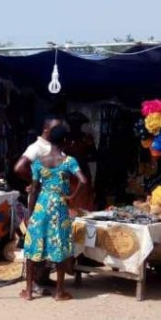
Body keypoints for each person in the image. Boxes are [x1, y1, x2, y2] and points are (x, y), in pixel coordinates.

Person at [21, 124, 87, 301]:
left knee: (33, 245)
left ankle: (28, 292)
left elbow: (34, 189)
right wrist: (71, 196)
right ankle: (59, 292)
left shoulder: (38, 162)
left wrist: (30, 214)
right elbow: (83, 180)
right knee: (59, 246)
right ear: (65, 141)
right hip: (59, 206)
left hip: (41, 206)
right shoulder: (69, 162)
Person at [61, 111, 97, 213]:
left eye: (77, 124)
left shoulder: (86, 138)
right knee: (67, 201)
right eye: (72, 124)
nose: (74, 126)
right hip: (67, 175)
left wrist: (81, 157)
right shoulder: (64, 138)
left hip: (82, 172)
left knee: (83, 203)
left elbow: (94, 156)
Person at [13, 115, 63, 183]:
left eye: (60, 128)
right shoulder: (36, 147)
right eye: (55, 128)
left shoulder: (54, 146)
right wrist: (38, 183)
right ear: (46, 128)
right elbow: (19, 168)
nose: (58, 131)